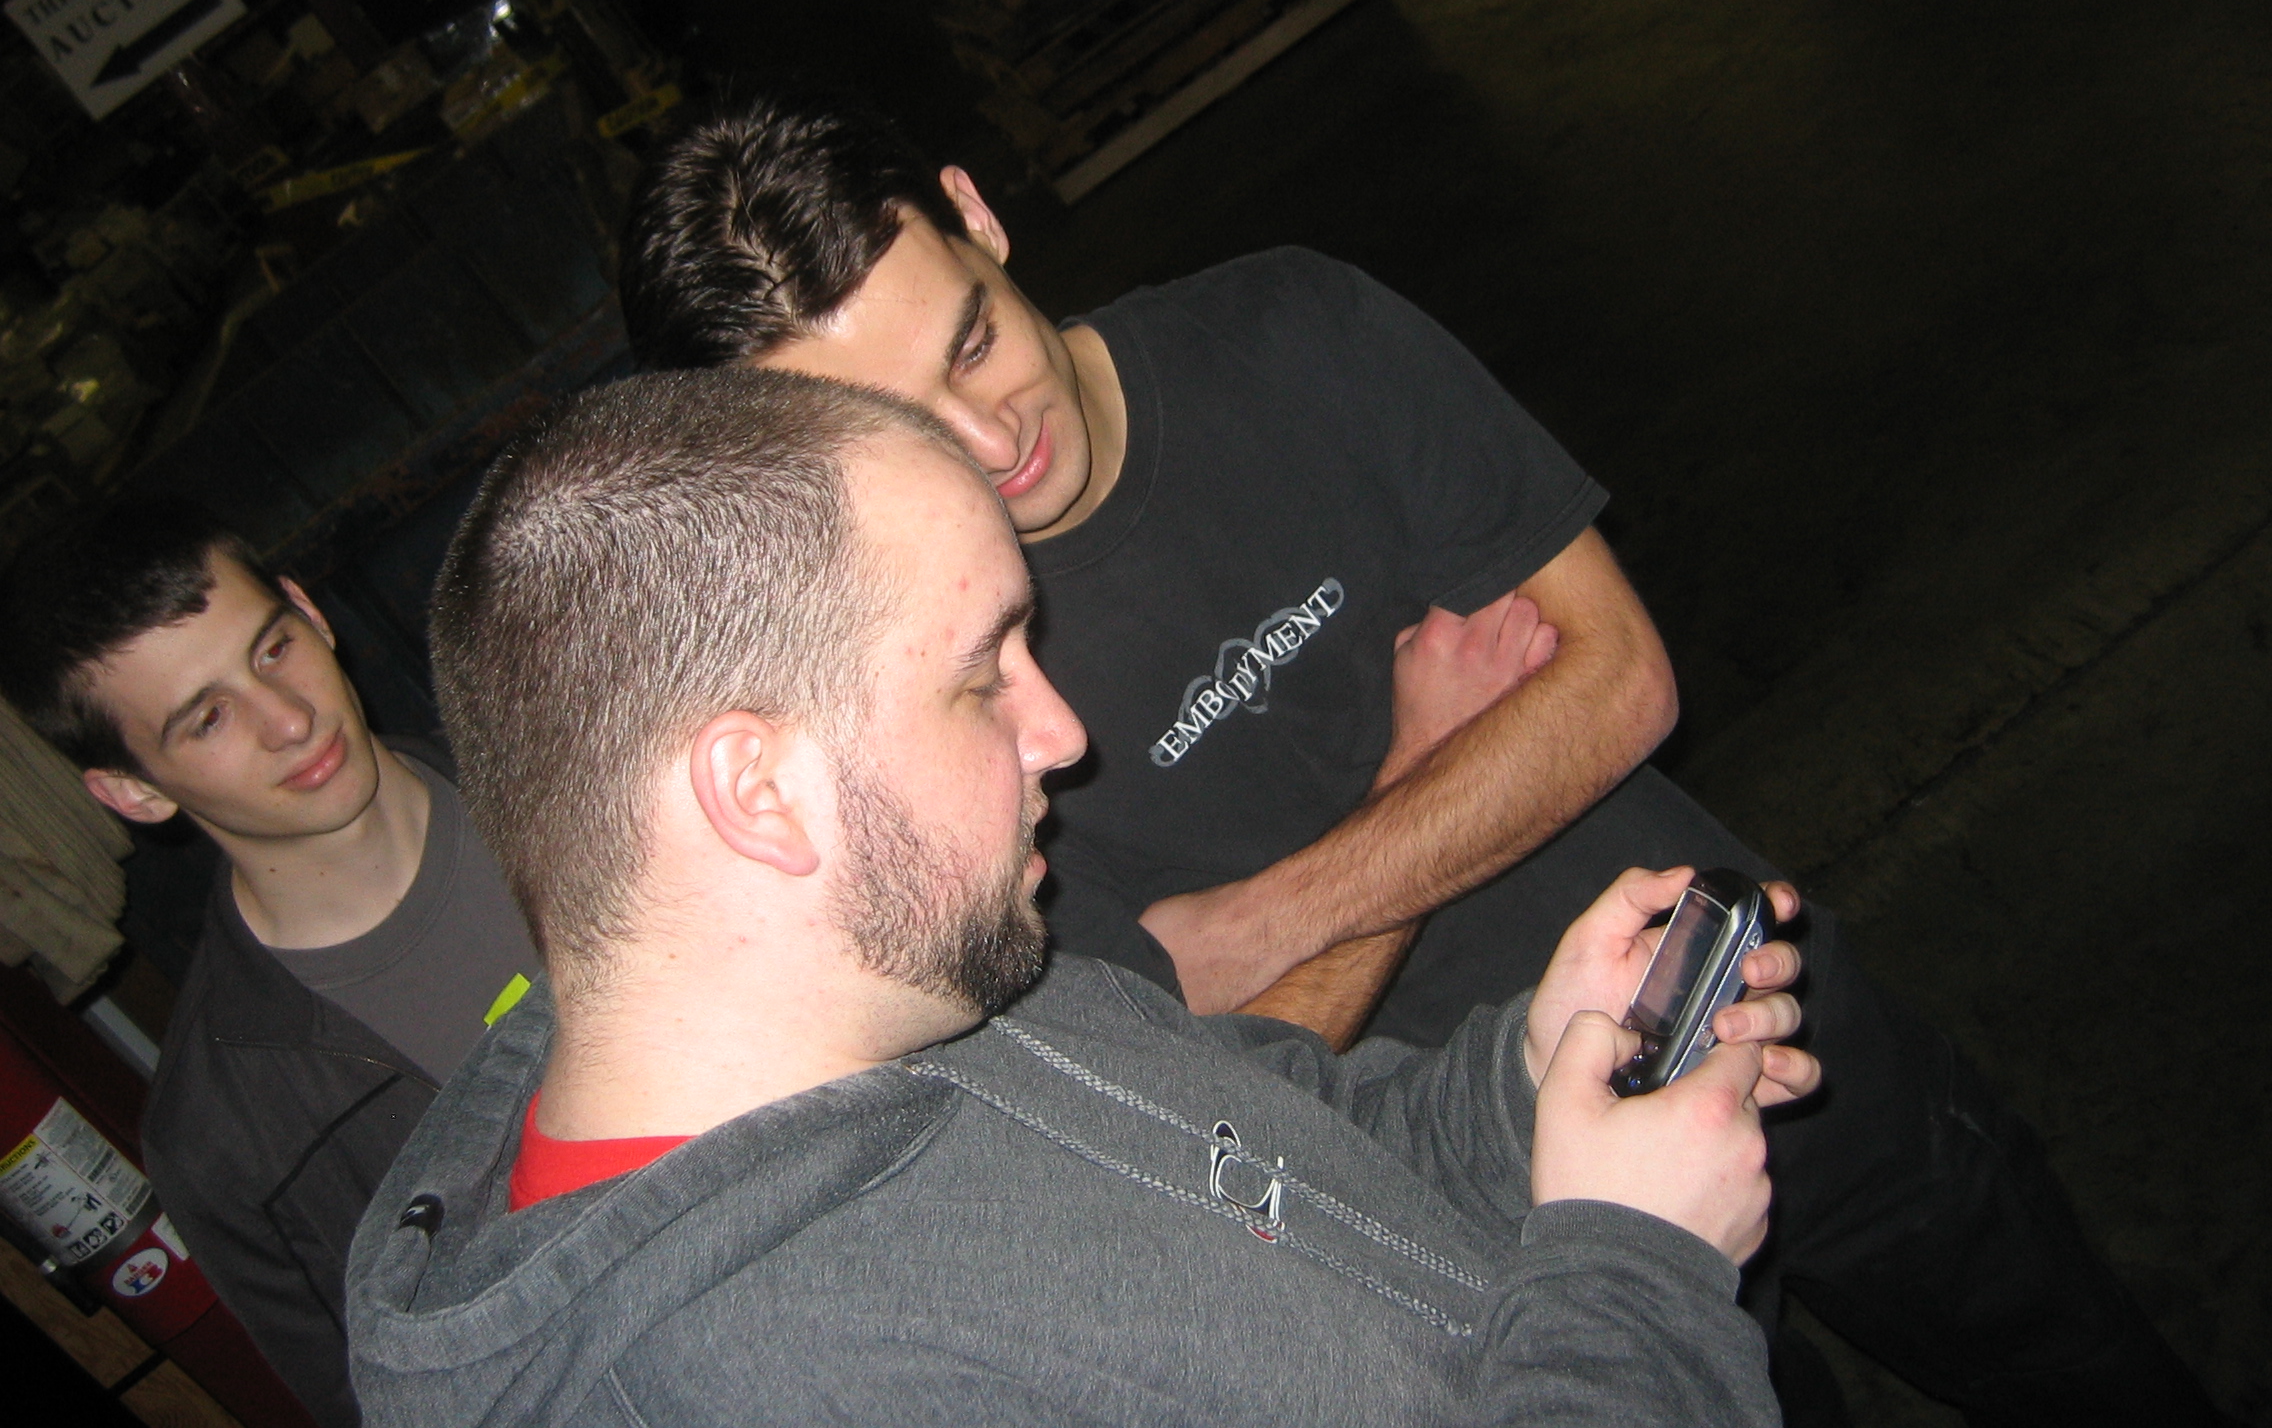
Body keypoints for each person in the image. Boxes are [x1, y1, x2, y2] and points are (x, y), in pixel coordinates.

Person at [611, 92, 2227, 1426]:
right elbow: (1202, 1104)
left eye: (969, 342)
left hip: (1752, 1024)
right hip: (1489, 1256)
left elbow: (1616, 683)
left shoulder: (1287, 328)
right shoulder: (910, 706)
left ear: (975, 212)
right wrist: (1423, 766)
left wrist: (1256, 926)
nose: (989, 440)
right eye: (896, 420)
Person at [347, 366, 1818, 1426]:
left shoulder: (940, 981)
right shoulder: (754, 1383)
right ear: (760, 791)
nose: (1060, 732)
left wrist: (1531, 1084)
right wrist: (1638, 1267)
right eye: (980, 676)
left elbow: (1291, 1158)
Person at [0, 501, 540, 1428]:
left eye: (272, 649)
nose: (288, 720)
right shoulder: (223, 1140)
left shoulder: (585, 769)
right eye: (209, 718)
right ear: (133, 791)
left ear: (310, 610)